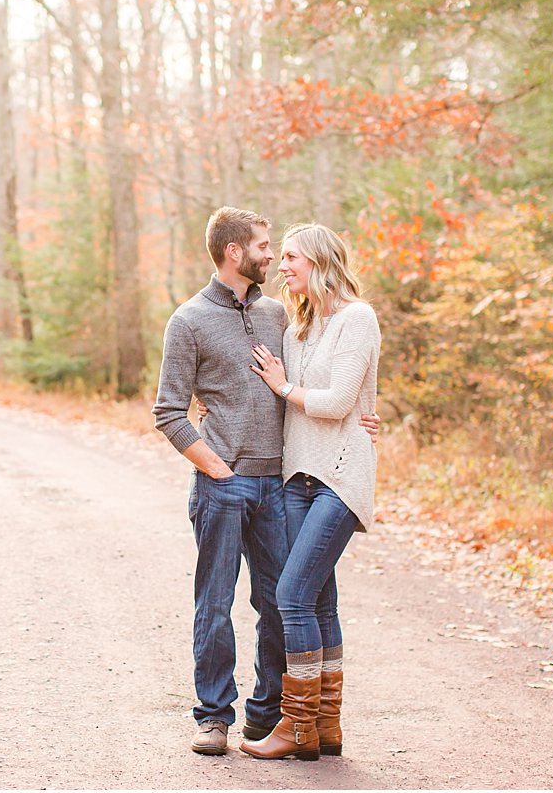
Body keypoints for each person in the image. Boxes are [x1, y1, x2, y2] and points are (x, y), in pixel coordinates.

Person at [153, 208, 378, 757]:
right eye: (262, 246)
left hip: (281, 483)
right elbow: (168, 411)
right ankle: (213, 717)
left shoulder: (282, 315)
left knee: (281, 603)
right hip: (224, 485)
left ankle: (269, 714)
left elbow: (324, 380)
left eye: (280, 248)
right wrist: (214, 466)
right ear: (235, 251)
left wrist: (363, 417)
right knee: (215, 603)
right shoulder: (189, 320)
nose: (272, 256)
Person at [238, 223, 380, 762]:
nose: (282, 266)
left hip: (340, 477)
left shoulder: (357, 319)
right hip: (296, 478)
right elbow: (275, 394)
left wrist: (284, 387)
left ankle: (295, 726)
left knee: (291, 595)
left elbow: (340, 400)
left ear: (318, 260)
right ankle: (325, 725)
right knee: (319, 600)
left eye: (291, 257)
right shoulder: (298, 326)